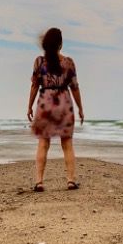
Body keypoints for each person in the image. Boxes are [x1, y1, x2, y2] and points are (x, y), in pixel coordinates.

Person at [26, 26, 83, 191]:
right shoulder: (68, 63)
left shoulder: (39, 62)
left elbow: (34, 86)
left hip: (45, 103)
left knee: (43, 143)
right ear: (60, 45)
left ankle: (39, 181)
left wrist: (29, 106)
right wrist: (80, 108)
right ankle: (71, 180)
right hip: (64, 104)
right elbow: (75, 88)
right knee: (67, 144)